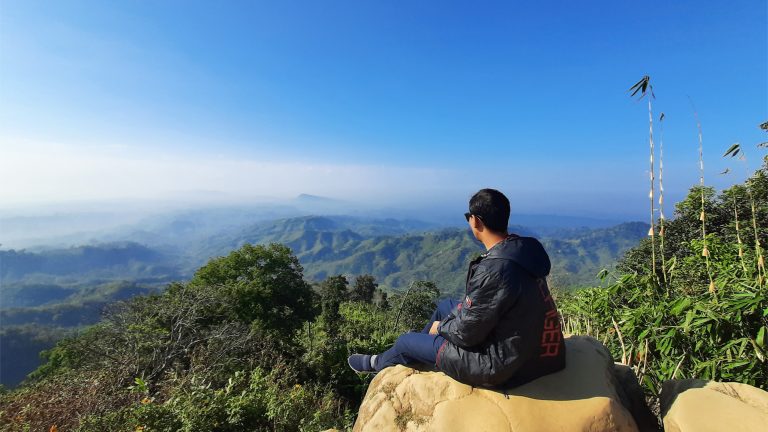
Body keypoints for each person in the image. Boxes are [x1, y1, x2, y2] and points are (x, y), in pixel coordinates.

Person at [347, 188, 566, 388]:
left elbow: (466, 335)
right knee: (444, 306)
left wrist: (441, 328)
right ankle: (421, 354)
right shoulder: (521, 250)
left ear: (476, 222)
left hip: (499, 365)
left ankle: (380, 363)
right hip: (532, 350)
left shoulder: (495, 270)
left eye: (468, 217)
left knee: (405, 341)